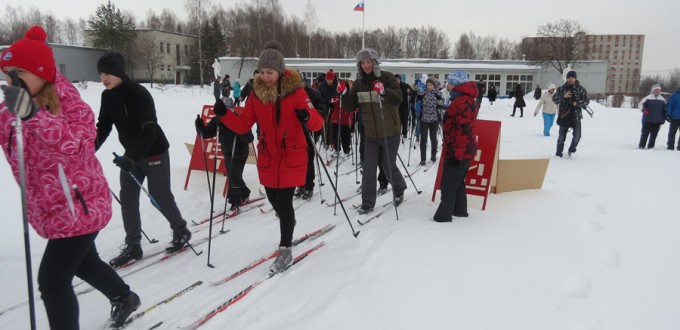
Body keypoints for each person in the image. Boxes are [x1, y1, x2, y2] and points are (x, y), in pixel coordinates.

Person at [0, 25, 140, 328]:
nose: (11, 80)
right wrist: (19, 114)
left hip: (81, 204)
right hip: (50, 206)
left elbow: (76, 146)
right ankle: (124, 297)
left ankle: (123, 297)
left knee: (52, 281)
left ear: (42, 72)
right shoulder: (9, 108)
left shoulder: (69, 104)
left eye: (19, 71)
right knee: (85, 263)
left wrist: (33, 117)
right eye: (6, 72)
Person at [219, 41, 323, 274]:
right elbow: (244, 123)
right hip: (268, 157)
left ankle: (285, 248)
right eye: (262, 72)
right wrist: (224, 114)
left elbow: (318, 123)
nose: (266, 77)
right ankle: (288, 222)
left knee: (284, 203)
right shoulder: (256, 95)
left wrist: (306, 115)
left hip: (290, 155)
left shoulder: (296, 92)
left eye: (270, 72)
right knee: (273, 199)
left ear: (280, 71)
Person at [95, 51, 192, 267]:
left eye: (108, 73)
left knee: (160, 196)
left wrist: (131, 156)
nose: (104, 78)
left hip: (154, 151)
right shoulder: (107, 96)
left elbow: (150, 130)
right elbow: (103, 126)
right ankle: (133, 245)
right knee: (127, 199)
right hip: (130, 157)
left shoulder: (139, 94)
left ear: (120, 72)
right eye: (101, 74)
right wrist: (90, 147)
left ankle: (181, 230)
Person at [341, 48, 407, 214]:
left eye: (368, 62)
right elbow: (350, 107)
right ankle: (367, 203)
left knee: (387, 166)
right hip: (370, 133)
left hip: (389, 131)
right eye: (362, 63)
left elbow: (398, 99)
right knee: (369, 168)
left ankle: (399, 188)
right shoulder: (359, 83)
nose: (366, 65)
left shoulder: (387, 77)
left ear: (374, 62)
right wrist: (345, 94)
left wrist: (384, 91)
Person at [433, 69, 479, 222]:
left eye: (449, 82)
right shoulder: (462, 98)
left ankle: (443, 215)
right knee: (458, 182)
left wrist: (457, 155)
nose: (447, 85)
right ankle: (459, 210)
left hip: (459, 150)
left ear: (456, 84)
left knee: (448, 184)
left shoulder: (462, 101)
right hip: (461, 149)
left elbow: (463, 130)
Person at [195, 98, 254, 211]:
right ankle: (245, 193)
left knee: (233, 177)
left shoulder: (238, 118)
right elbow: (207, 133)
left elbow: (249, 138)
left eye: (228, 109)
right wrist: (200, 127)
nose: (226, 112)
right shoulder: (217, 119)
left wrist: (240, 132)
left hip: (239, 152)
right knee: (233, 175)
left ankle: (235, 201)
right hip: (227, 152)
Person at [296, 69, 328, 200]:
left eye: (299, 82)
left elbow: (322, 110)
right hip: (295, 131)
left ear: (304, 82)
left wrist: (309, 117)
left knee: (308, 158)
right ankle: (300, 184)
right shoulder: (290, 94)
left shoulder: (313, 93)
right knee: (296, 160)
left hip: (308, 129)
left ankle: (309, 186)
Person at [553, 69, 590, 157]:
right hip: (564, 115)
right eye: (569, 77)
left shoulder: (581, 89)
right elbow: (554, 99)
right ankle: (558, 154)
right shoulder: (561, 89)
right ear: (566, 78)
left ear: (575, 78)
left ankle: (571, 150)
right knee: (561, 138)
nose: (570, 79)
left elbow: (586, 101)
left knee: (577, 136)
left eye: (572, 77)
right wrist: (563, 96)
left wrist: (577, 103)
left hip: (575, 116)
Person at [416, 77, 443, 165]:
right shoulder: (422, 93)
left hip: (434, 119)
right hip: (424, 119)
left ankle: (433, 155)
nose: (429, 87)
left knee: (433, 138)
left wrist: (440, 102)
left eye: (431, 85)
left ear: (434, 86)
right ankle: (423, 158)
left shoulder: (437, 93)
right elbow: (416, 100)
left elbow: (442, 103)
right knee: (423, 139)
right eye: (427, 85)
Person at [638, 84, 667, 149]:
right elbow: (640, 105)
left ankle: (651, 147)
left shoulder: (662, 99)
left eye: (658, 90)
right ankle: (641, 146)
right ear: (652, 90)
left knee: (654, 135)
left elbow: (665, 109)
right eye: (656, 89)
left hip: (657, 121)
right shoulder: (647, 98)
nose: (657, 91)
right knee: (645, 134)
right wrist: (643, 110)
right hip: (647, 120)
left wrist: (664, 117)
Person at [395, 74, 412, 139]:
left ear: (400, 80)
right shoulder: (392, 86)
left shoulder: (405, 85)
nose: (397, 81)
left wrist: (409, 91)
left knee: (404, 120)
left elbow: (411, 93)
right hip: (396, 106)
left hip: (404, 106)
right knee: (397, 120)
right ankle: (397, 133)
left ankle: (404, 133)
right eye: (396, 80)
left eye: (398, 80)